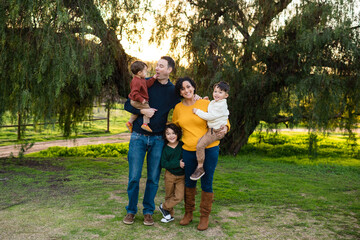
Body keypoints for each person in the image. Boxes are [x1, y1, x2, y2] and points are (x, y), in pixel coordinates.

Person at [122, 56, 180, 226]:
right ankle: (131, 211)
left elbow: (186, 100)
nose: (157, 68)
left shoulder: (172, 91)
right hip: (138, 137)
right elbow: (128, 104)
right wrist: (142, 113)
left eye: (161, 66)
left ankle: (148, 211)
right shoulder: (145, 82)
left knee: (153, 178)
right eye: (157, 65)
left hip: (157, 139)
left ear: (169, 70)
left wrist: (198, 97)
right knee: (134, 177)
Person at [172, 77, 230, 231]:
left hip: (210, 148)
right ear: (180, 92)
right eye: (182, 88)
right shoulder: (178, 108)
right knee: (189, 182)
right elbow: (175, 129)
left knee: (207, 182)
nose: (186, 90)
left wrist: (226, 128)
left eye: (188, 87)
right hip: (188, 150)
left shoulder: (205, 103)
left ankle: (204, 217)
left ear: (194, 87)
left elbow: (223, 118)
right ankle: (188, 214)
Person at [190, 81, 230, 180]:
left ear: (226, 95)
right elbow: (212, 108)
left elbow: (211, 116)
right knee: (200, 143)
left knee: (200, 145)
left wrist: (197, 111)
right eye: (215, 91)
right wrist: (206, 101)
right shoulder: (216, 102)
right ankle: (200, 163)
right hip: (213, 129)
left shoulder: (221, 105)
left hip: (216, 131)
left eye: (220, 92)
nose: (216, 94)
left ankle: (200, 167)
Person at [158, 123, 185, 223]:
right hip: (169, 175)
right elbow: (164, 163)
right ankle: (169, 215)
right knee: (168, 195)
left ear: (178, 133)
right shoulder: (165, 148)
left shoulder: (182, 146)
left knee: (179, 197)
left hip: (181, 176)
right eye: (168, 134)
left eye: (173, 133)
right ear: (165, 136)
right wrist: (178, 163)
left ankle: (163, 206)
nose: (171, 136)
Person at [126, 60, 158, 133]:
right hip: (137, 101)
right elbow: (134, 93)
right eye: (145, 71)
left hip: (136, 101)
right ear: (139, 73)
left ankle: (129, 123)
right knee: (148, 110)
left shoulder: (141, 79)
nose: (146, 73)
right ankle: (145, 124)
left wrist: (153, 78)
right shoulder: (136, 81)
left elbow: (146, 84)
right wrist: (141, 99)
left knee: (137, 112)